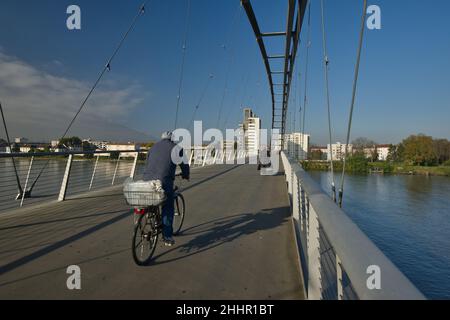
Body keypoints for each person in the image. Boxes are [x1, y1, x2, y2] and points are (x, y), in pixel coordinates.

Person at [143, 131, 190, 246]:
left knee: (151, 201)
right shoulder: (177, 148)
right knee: (168, 206)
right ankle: (167, 236)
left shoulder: (153, 147)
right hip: (164, 181)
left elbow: (148, 163)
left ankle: (149, 217)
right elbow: (184, 164)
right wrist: (186, 174)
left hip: (147, 180)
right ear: (172, 139)